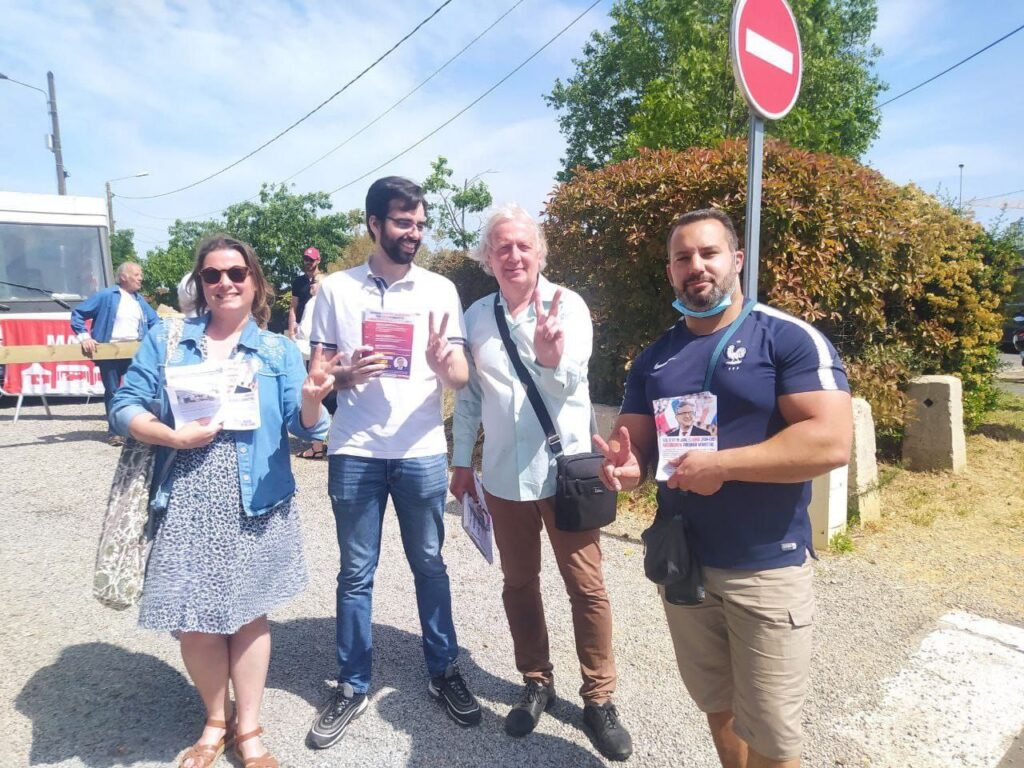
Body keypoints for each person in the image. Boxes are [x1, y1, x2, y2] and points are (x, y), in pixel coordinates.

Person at [595, 209, 852, 768]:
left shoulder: (785, 339)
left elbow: (831, 442)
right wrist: (626, 470)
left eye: (708, 253)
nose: (696, 266)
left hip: (765, 567)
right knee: (718, 706)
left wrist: (725, 466)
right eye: (682, 257)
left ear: (736, 260)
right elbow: (636, 450)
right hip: (684, 564)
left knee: (773, 738)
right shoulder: (655, 358)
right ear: (670, 272)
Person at [109, 235, 333, 768]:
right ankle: (215, 719)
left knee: (249, 615)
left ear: (254, 282)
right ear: (201, 283)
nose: (225, 283)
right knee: (195, 618)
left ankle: (248, 728)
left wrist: (310, 401)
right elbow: (123, 405)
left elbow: (306, 430)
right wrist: (171, 435)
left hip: (257, 501)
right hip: (187, 496)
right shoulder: (168, 339)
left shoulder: (278, 350)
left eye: (236, 273)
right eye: (212, 274)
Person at [449, 204, 633, 761]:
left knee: (586, 587)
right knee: (519, 584)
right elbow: (470, 396)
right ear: (487, 258)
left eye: (523, 245)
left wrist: (551, 359)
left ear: (540, 253)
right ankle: (536, 680)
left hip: (566, 474)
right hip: (504, 476)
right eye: (501, 247)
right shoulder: (476, 316)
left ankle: (599, 698)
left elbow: (574, 378)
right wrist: (461, 462)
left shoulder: (567, 306)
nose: (513, 255)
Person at [306, 176, 480, 750]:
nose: (414, 233)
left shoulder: (440, 289)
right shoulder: (336, 290)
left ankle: (443, 671)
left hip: (421, 450)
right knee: (356, 572)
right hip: (355, 450)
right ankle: (352, 684)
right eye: (404, 222)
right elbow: (318, 371)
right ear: (374, 224)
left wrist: (443, 363)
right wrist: (343, 376)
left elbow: (460, 376)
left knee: (429, 564)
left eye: (420, 224)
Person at [71, 261, 159, 446]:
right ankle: (115, 433)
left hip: (135, 351)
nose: (141, 278)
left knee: (139, 390)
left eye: (140, 274)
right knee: (113, 391)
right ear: (123, 277)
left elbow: (155, 322)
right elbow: (78, 314)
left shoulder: (139, 300)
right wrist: (84, 337)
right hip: (109, 352)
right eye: (136, 274)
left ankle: (139, 430)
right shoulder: (106, 295)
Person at [289, 247, 333, 460]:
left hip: (315, 348)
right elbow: (293, 308)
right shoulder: (299, 284)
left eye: (311, 259)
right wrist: (291, 332)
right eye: (305, 259)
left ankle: (318, 443)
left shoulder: (320, 299)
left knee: (316, 390)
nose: (312, 286)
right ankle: (319, 440)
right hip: (309, 346)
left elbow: (308, 330)